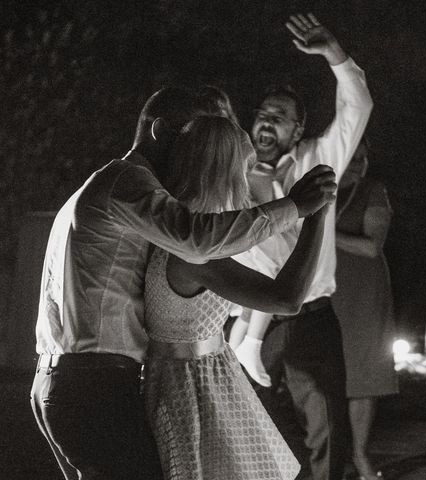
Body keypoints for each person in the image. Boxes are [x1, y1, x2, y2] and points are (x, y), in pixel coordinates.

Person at [29, 85, 337, 480]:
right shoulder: (126, 182)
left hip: (72, 378)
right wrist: (300, 208)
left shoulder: (112, 186)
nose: (189, 150)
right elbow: (199, 237)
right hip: (92, 384)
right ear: (160, 130)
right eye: (192, 135)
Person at [144, 115, 334, 480]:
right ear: (225, 171)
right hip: (193, 390)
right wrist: (315, 216)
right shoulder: (195, 249)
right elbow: (286, 299)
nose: (249, 181)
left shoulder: (187, 228)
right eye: (245, 168)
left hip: (202, 376)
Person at [233, 12, 373, 480]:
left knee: (328, 439)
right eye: (262, 115)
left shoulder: (318, 160)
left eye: (280, 118)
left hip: (310, 320)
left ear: (298, 130)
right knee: (252, 437)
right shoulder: (229, 173)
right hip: (248, 325)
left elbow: (356, 108)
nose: (267, 123)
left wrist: (334, 52)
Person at [331, 139, 398, 480]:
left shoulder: (374, 190)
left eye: (364, 157)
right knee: (328, 372)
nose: (359, 162)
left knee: (362, 373)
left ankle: (360, 455)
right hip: (326, 288)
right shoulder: (321, 188)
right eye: (352, 156)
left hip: (363, 291)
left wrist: (322, 233)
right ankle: (332, 454)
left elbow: (372, 246)